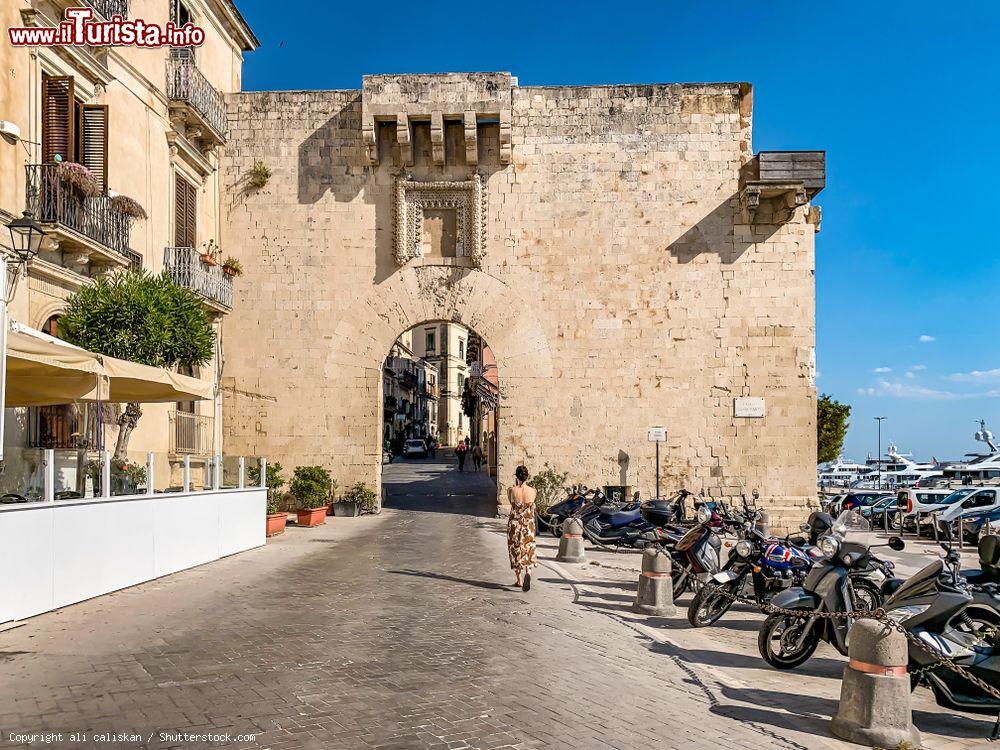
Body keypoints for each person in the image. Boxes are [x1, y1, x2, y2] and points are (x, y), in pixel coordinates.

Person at [507, 465, 537, 590]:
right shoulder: (533, 491)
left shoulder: (511, 490)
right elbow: (533, 507)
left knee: (515, 550)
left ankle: (519, 580)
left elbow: (512, 503)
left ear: (516, 476)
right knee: (528, 547)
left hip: (515, 523)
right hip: (528, 524)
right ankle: (528, 572)